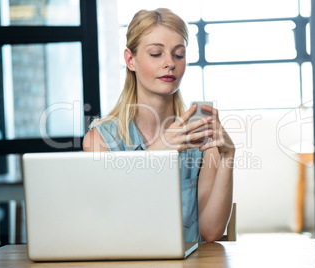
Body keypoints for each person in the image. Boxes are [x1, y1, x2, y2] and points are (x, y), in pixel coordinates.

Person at [83, 8, 235, 243]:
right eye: (156, 53)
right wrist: (158, 151)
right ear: (130, 60)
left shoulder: (200, 137)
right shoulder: (100, 141)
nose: (169, 63)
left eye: (178, 54)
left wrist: (228, 156)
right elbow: (109, 219)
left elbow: (211, 231)